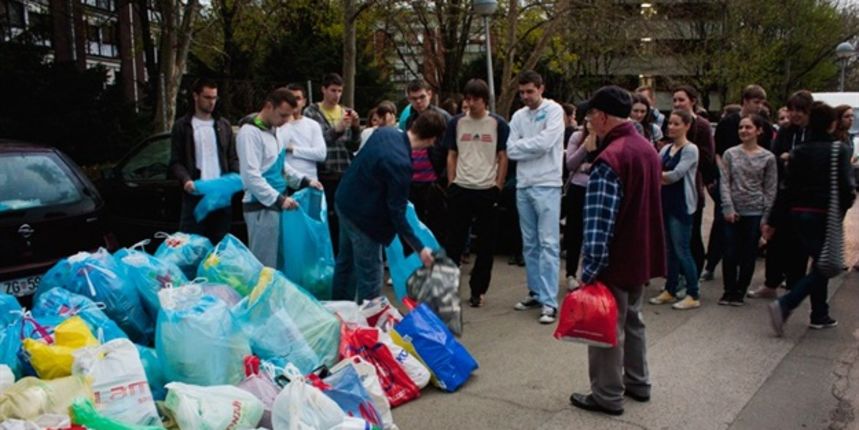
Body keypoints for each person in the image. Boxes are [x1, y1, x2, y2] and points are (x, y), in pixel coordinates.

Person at [569, 86, 665, 416]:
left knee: (606, 325)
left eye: (591, 115)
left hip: (615, 255)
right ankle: (638, 381)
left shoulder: (610, 158)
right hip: (640, 251)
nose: (589, 121)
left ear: (603, 116)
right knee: (633, 320)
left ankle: (607, 395)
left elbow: (598, 223)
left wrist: (589, 269)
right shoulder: (646, 148)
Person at [332, 111, 448, 302]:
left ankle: (339, 310)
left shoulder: (386, 133)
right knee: (370, 278)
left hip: (344, 203)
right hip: (364, 221)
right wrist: (420, 248)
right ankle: (367, 325)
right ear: (432, 140)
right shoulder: (401, 163)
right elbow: (397, 213)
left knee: (346, 265)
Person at [767, 102, 855, 336]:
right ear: (832, 123)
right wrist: (844, 205)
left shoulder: (799, 151)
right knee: (827, 264)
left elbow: (787, 186)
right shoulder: (839, 149)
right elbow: (846, 186)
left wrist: (775, 218)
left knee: (818, 261)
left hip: (797, 212)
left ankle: (820, 313)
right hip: (823, 212)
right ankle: (786, 304)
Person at [236, 88, 323, 267]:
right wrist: (278, 199)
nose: (285, 121)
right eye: (282, 115)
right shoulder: (249, 133)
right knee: (264, 265)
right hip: (260, 206)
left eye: (288, 116)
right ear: (269, 106)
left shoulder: (278, 130)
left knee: (280, 262)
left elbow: (280, 165)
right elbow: (250, 176)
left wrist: (305, 181)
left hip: (278, 203)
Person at [442, 79, 509, 308]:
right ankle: (449, 289)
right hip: (461, 187)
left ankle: (478, 290)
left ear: (484, 100)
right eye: (467, 99)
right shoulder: (456, 123)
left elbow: (503, 156)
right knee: (453, 243)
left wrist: (498, 185)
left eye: (475, 99)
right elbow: (451, 153)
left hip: (486, 189)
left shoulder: (498, 124)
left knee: (486, 244)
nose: (470, 104)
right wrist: (452, 182)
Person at [507, 70, 565, 324]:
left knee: (549, 244)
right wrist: (529, 146)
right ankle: (536, 292)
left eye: (530, 91)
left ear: (541, 88)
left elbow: (545, 143)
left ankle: (550, 302)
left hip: (548, 184)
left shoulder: (554, 111)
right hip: (524, 185)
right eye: (522, 92)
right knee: (530, 243)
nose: (526, 96)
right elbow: (510, 149)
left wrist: (524, 146)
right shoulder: (518, 115)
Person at [703, 84, 773, 281]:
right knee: (721, 223)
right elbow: (717, 152)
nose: (759, 106)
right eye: (755, 102)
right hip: (727, 180)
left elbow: (767, 157)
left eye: (761, 103)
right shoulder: (728, 123)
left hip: (751, 186)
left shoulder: (764, 126)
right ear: (745, 101)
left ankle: (742, 272)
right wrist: (720, 175)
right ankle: (711, 264)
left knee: (749, 231)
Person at [748, 90, 814, 299]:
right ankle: (771, 283)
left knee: (799, 244)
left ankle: (795, 283)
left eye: (800, 111)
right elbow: (775, 158)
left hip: (805, 195)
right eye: (792, 110)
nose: (795, 115)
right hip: (783, 191)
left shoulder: (814, 133)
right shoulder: (785, 132)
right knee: (776, 240)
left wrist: (793, 158)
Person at [169, 79, 238, 245]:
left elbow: (233, 158)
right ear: (195, 96)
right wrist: (186, 180)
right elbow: (175, 161)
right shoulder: (182, 126)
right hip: (194, 194)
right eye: (207, 97)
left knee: (220, 245)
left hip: (221, 195)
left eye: (214, 98)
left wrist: (236, 177)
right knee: (191, 245)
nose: (211, 102)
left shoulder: (223, 125)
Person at [718, 114, 778, 306]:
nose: (743, 131)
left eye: (748, 128)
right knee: (729, 252)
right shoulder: (730, 154)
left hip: (755, 210)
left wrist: (766, 217)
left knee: (748, 253)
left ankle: (740, 292)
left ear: (758, 131)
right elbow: (725, 182)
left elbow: (770, 188)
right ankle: (728, 290)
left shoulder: (768, 158)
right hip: (733, 209)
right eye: (741, 128)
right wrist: (728, 206)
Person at [649, 110, 701, 310]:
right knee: (669, 250)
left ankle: (693, 292)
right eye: (670, 123)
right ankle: (670, 288)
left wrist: (658, 175)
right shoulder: (666, 149)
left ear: (687, 125)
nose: (671, 127)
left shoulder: (690, 149)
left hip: (681, 205)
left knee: (682, 250)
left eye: (677, 123)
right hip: (665, 202)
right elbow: (657, 167)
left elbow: (676, 174)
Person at [304, 73, 361, 249]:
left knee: (344, 215)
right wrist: (337, 130)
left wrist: (356, 128)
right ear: (323, 90)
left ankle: (342, 251)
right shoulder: (312, 113)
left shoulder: (346, 111)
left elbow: (353, 146)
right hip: (324, 172)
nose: (336, 95)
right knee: (325, 216)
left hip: (344, 171)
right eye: (333, 90)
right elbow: (315, 144)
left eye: (339, 91)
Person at [667, 85, 716, 276]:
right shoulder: (671, 124)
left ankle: (692, 279)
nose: (677, 104)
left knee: (690, 238)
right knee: (673, 239)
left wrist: (685, 155)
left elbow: (707, 158)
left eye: (682, 100)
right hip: (671, 189)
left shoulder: (701, 125)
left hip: (691, 186)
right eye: (675, 100)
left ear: (692, 101)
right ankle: (675, 278)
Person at [401, 80, 452, 243]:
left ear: (430, 94)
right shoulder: (410, 120)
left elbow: (451, 150)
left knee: (437, 226)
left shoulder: (443, 118)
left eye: (421, 97)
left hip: (434, 179)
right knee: (415, 223)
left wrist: (443, 178)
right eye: (413, 98)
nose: (418, 102)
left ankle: (437, 262)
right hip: (413, 179)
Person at [564, 120, 596, 291]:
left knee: (594, 234)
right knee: (574, 232)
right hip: (577, 189)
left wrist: (586, 167)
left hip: (597, 189)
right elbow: (570, 164)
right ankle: (571, 273)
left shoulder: (607, 138)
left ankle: (590, 273)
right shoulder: (577, 136)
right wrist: (585, 146)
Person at [276, 83, 327, 182]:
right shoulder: (277, 126)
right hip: (285, 182)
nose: (294, 102)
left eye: (298, 98)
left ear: (304, 102)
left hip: (311, 181)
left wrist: (293, 149)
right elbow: (276, 154)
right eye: (290, 99)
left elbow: (321, 154)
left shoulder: (313, 125)